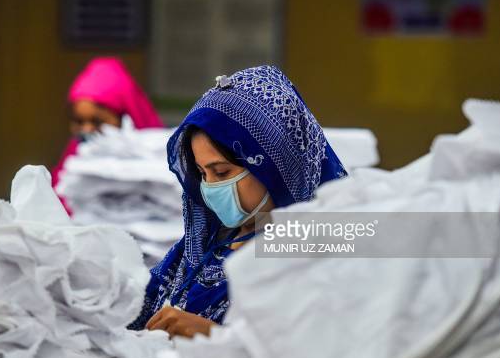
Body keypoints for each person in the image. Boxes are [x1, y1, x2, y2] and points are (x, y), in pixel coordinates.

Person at [128, 65, 347, 338]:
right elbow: (133, 311)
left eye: (221, 173)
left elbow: (314, 352)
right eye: (202, 173)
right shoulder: (202, 247)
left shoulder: (319, 257)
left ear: (274, 165)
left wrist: (212, 335)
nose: (210, 187)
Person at [51, 57, 164, 212]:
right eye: (78, 121)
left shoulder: (158, 161)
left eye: (97, 122)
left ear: (125, 118)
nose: (86, 130)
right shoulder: (73, 158)